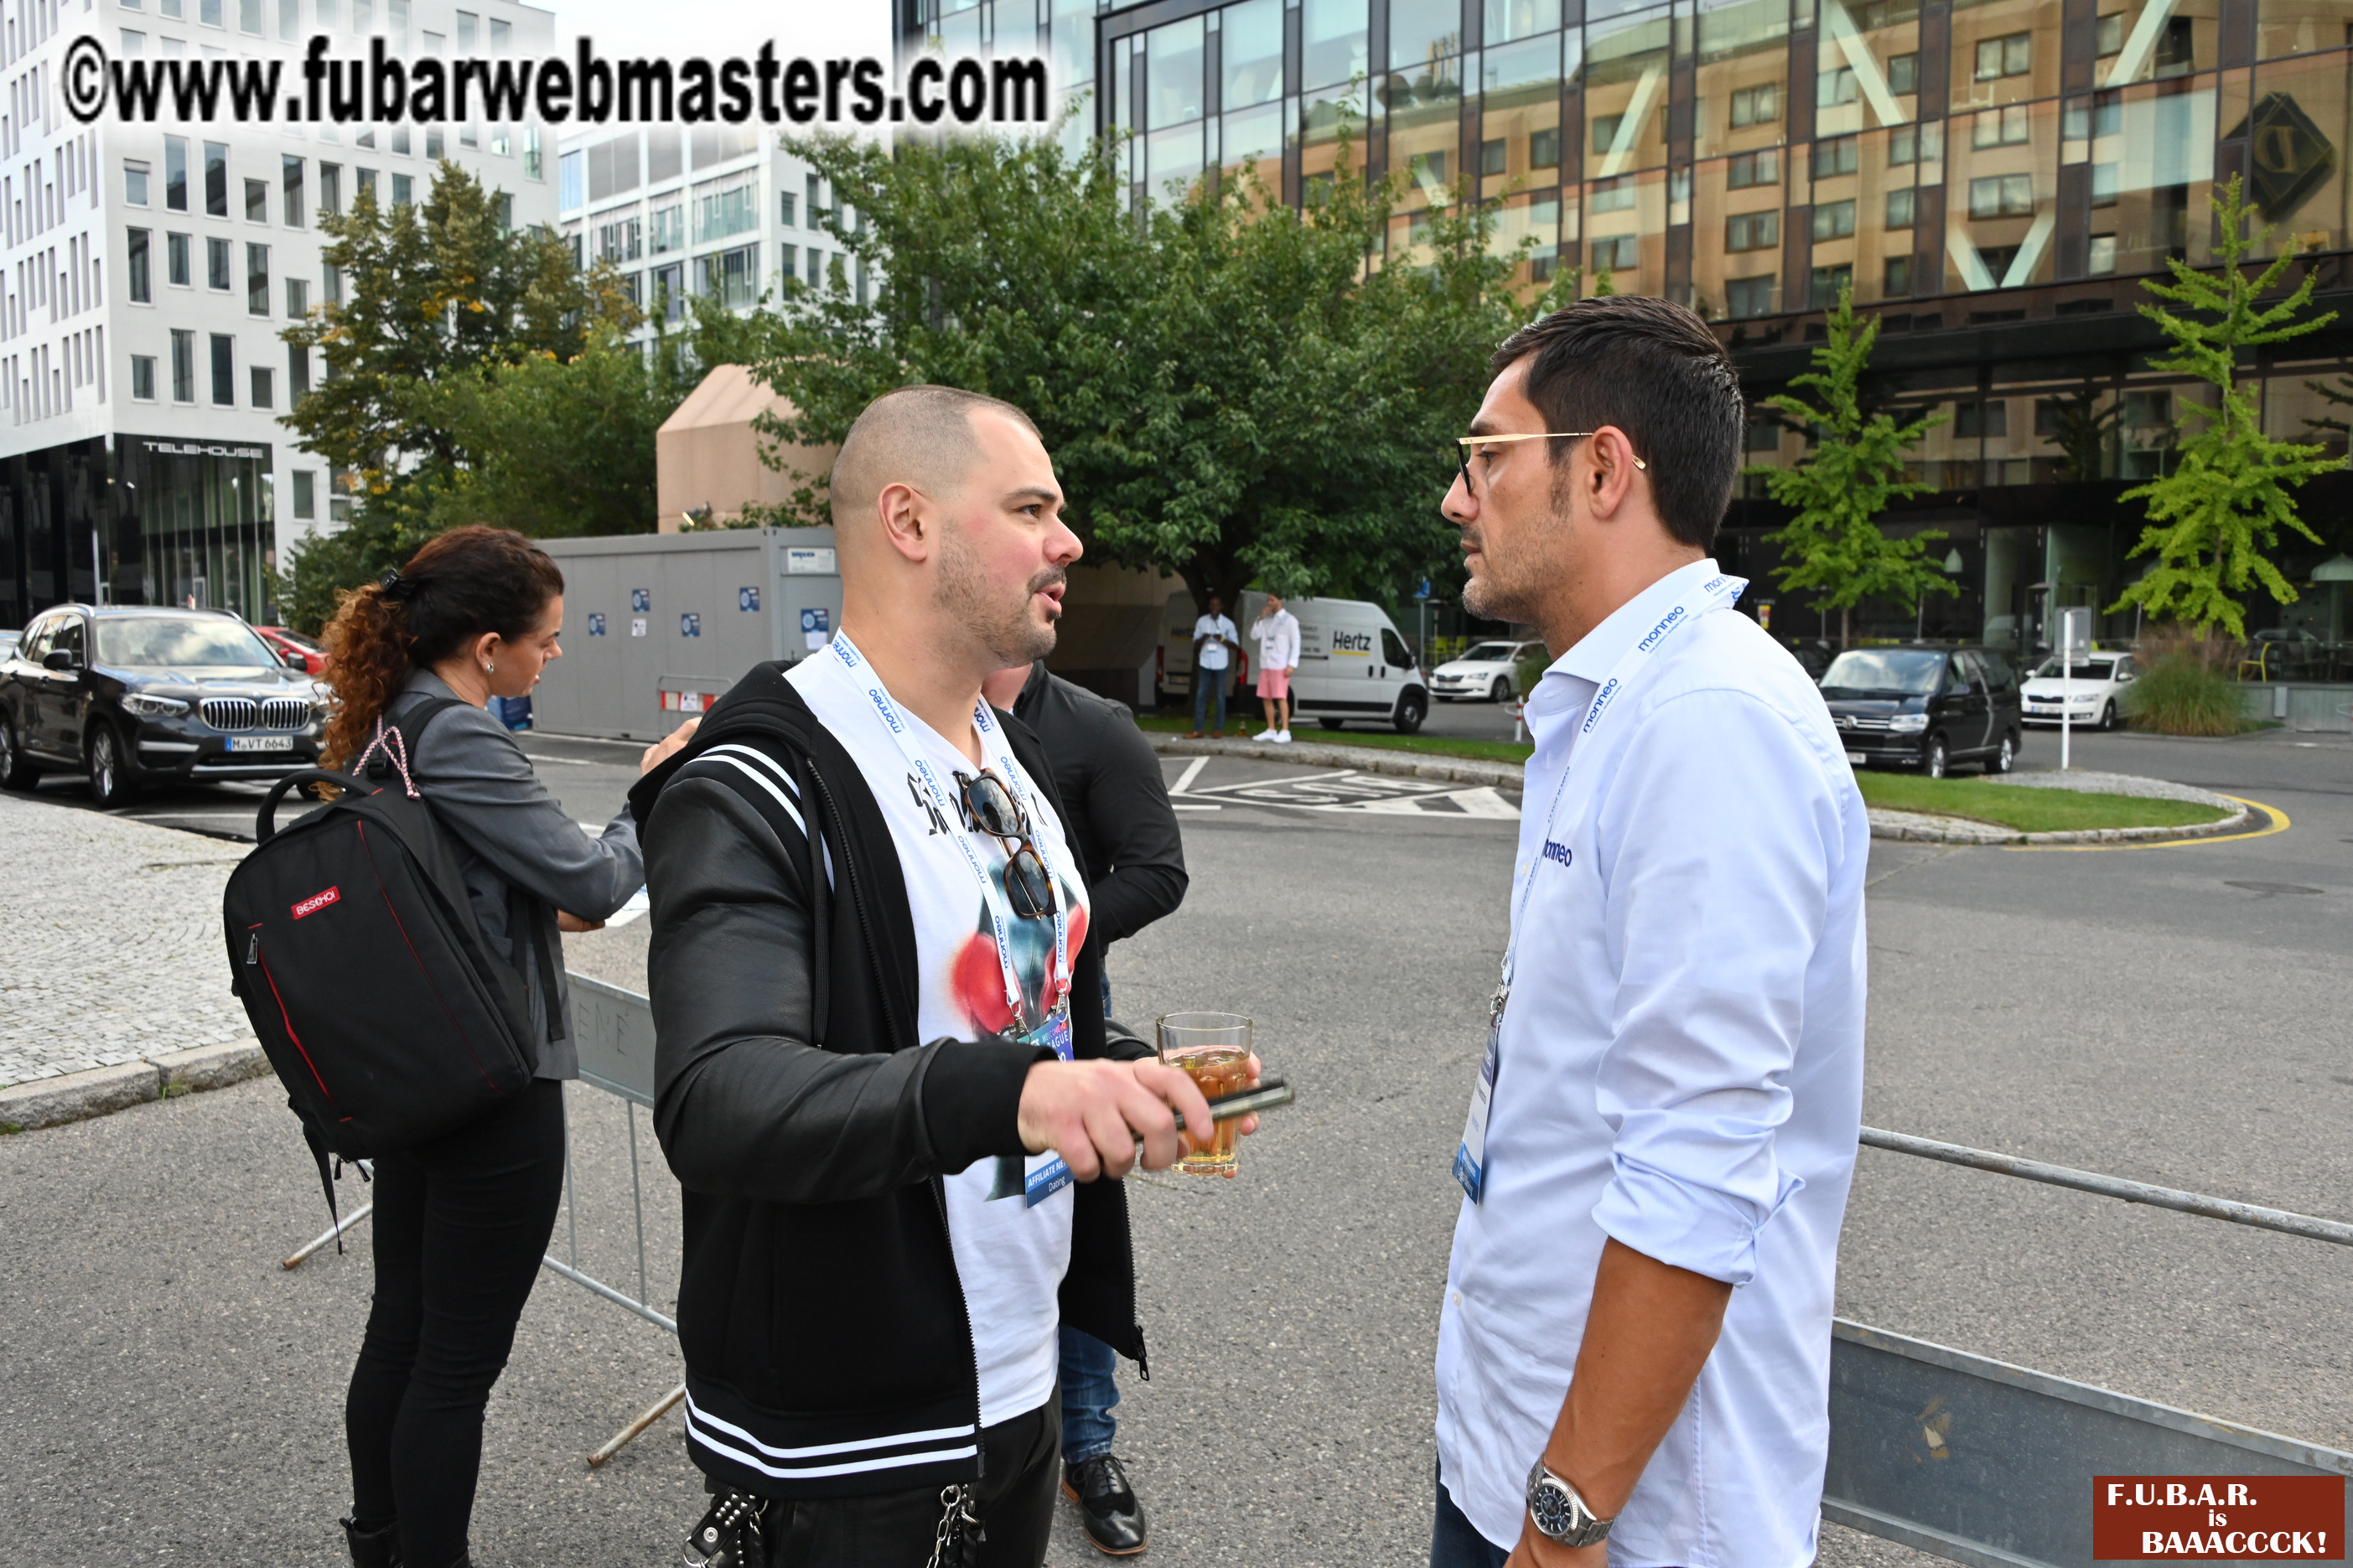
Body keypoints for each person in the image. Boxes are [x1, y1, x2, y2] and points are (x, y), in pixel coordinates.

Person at [634, 385, 1258, 1568]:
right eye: (1031, 507)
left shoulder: (1006, 756)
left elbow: (1016, 1019)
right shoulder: (760, 776)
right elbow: (719, 1093)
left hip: (1017, 1369)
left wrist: (1118, 1079)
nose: (1067, 540)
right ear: (909, 522)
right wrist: (1022, 1094)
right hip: (854, 1429)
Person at [1429, 297, 1868, 1568]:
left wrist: (1564, 1519)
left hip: (1625, 1522)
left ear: (1603, 467)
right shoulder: (1615, 705)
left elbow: (1695, 1164)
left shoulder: (1707, 721)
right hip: (1522, 1451)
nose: (1460, 499)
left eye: (1486, 456)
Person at [318, 525, 695, 1568]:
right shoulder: (460, 733)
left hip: (417, 1067)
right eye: (546, 637)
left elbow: (517, 891)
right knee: (454, 1361)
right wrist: (651, 791)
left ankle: (381, 1541)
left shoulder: (386, 725)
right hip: (494, 1080)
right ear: (487, 645)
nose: (555, 653)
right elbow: (597, 886)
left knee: (403, 1328)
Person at [981, 657, 1188, 1555]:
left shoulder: (1093, 726)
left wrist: (1049, 933)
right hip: (943, 1023)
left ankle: (1089, 1444)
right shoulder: (909, 711)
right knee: (969, 1225)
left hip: (1059, 1011)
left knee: (1072, 1219)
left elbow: (1157, 869)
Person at [1186, 593, 1241, 737]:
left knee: (1220, 696)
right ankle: (1198, 729)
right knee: (1201, 695)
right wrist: (1203, 638)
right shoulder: (1202, 621)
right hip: (1205, 661)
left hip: (1220, 663)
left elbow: (1235, 645)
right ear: (1210, 606)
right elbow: (1195, 642)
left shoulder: (1228, 624)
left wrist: (1221, 639)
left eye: (1217, 605)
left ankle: (1218, 729)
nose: (1214, 607)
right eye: (1212, 605)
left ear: (1221, 606)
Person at [1250, 593, 1300, 743]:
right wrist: (1260, 617)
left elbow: (1296, 643)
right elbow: (1254, 635)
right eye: (1268, 600)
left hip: (1280, 664)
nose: (1269, 603)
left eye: (1272, 600)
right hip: (1266, 663)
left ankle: (1285, 730)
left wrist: (1292, 664)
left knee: (1281, 697)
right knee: (1266, 697)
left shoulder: (1289, 620)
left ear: (1280, 600)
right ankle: (1271, 729)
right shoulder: (1266, 620)